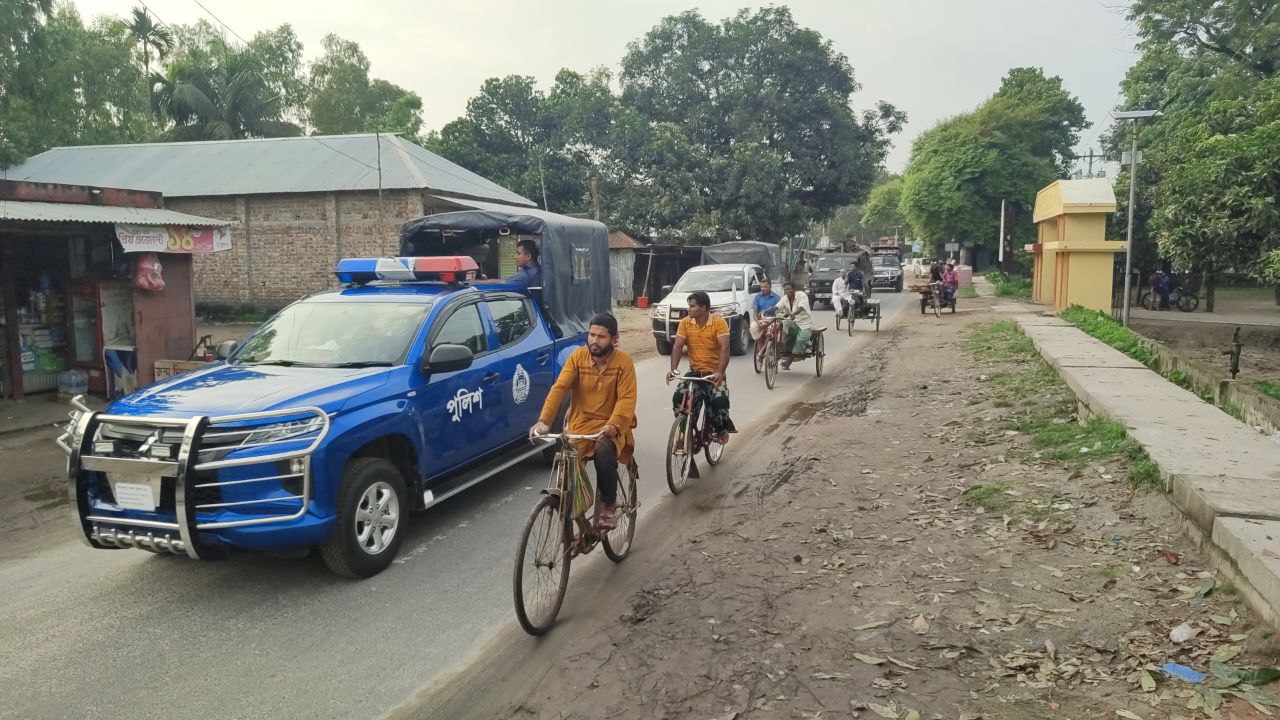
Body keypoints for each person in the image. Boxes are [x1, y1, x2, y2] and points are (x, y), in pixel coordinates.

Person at [530, 313, 637, 530]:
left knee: (604, 453)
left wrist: (613, 424)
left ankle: (608, 504)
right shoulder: (577, 357)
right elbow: (559, 388)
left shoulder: (623, 361)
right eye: (591, 334)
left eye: (601, 337)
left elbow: (627, 399)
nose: (594, 341)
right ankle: (577, 516)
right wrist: (543, 421)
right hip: (581, 426)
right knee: (566, 466)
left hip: (612, 427)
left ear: (614, 339)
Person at [666, 290, 736, 444]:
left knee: (719, 401)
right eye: (688, 306)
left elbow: (725, 348)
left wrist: (720, 373)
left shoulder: (719, 323)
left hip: (713, 374)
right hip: (695, 372)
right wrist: (673, 370)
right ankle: (685, 433)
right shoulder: (685, 323)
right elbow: (677, 347)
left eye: (692, 306)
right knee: (679, 398)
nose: (688, 309)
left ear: (704, 308)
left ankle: (720, 430)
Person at [776, 280, 817, 370]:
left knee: (800, 341)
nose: (787, 291)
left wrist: (793, 314)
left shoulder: (802, 295)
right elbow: (778, 306)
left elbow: (801, 307)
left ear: (794, 289)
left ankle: (788, 362)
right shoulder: (784, 298)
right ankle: (782, 343)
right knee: (785, 322)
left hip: (805, 324)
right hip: (793, 323)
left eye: (789, 289)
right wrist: (771, 311)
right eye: (785, 290)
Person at [749, 277, 782, 362]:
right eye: (761, 287)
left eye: (765, 287)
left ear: (770, 286)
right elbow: (754, 312)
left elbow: (778, 312)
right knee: (753, 327)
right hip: (761, 319)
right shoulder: (757, 297)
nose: (763, 289)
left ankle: (762, 350)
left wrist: (771, 321)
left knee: (771, 331)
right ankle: (760, 346)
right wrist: (758, 322)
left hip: (773, 320)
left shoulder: (777, 298)